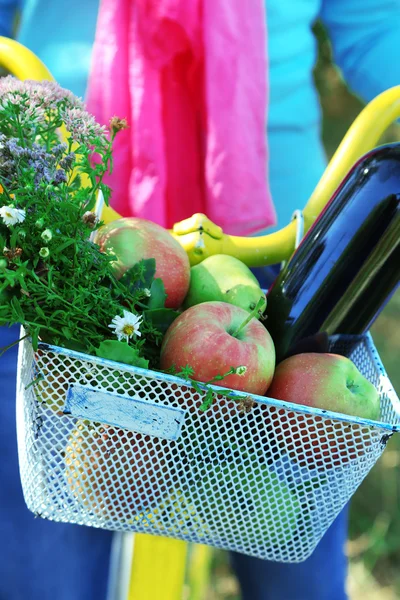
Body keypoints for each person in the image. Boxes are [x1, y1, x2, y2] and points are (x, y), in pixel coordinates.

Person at [1, 1, 399, 599]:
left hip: (277, 243)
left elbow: (375, 27)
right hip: (75, 229)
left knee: (294, 555)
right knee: (46, 543)